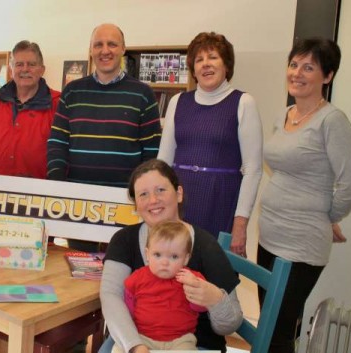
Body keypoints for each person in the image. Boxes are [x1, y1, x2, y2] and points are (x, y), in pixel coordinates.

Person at [258, 38, 351, 353]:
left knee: (277, 329)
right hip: (269, 236)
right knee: (270, 322)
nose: (297, 73)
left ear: (327, 77)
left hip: (302, 243)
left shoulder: (332, 121)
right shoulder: (285, 114)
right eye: (294, 64)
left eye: (309, 67)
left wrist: (325, 216)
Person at [100, 159, 243, 353]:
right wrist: (134, 345)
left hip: (194, 345)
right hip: (136, 339)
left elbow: (231, 324)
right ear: (135, 205)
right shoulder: (124, 240)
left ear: (179, 193)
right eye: (143, 194)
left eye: (160, 190)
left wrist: (214, 299)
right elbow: (111, 297)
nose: (153, 200)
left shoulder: (206, 245)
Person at [47, 23, 161, 251]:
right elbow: (57, 142)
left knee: (119, 271)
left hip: (125, 202)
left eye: (112, 44)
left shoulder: (143, 93)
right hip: (79, 201)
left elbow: (152, 151)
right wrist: (58, 188)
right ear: (90, 50)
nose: (105, 50)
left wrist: (141, 194)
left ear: (123, 49)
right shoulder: (72, 91)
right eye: (98, 44)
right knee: (79, 268)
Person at [157, 32, 263, 257]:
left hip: (221, 204)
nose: (206, 64)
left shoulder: (243, 102)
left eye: (213, 57)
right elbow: (163, 163)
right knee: (174, 271)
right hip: (181, 204)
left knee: (215, 278)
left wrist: (240, 224)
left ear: (226, 65)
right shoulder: (178, 102)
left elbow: (253, 170)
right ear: (193, 70)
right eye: (199, 60)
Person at [113, 220, 206, 353]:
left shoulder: (192, 278)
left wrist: (194, 285)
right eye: (157, 255)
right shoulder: (137, 278)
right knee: (118, 349)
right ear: (147, 254)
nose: (164, 262)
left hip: (180, 340)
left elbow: (201, 307)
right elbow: (128, 309)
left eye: (174, 256)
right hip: (142, 337)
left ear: (186, 259)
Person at [0, 40, 59, 178]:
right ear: (11, 70)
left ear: (42, 70)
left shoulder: (58, 105)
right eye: (19, 64)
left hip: (40, 194)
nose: (25, 69)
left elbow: (64, 152)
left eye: (31, 64)